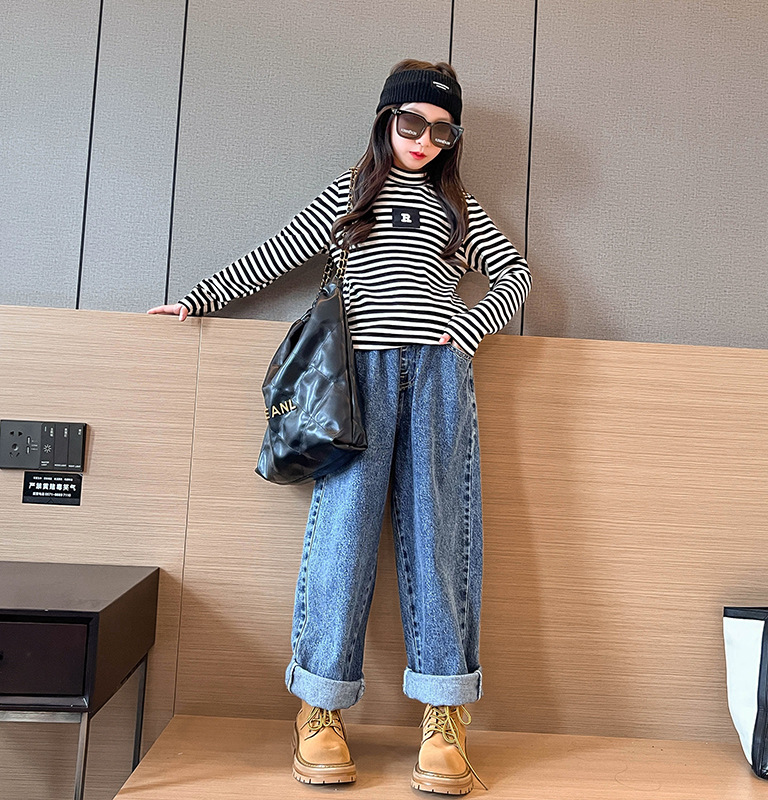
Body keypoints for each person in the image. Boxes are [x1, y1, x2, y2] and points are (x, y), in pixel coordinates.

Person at [148, 58, 532, 795]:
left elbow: (516, 274)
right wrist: (197, 300)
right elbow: (277, 255)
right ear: (387, 119)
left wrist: (473, 324)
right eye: (412, 122)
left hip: (440, 376)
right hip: (356, 381)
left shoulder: (460, 207)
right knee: (345, 536)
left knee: (440, 537)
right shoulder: (352, 193)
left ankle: (445, 718)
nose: (424, 140)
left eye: (442, 131)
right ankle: (319, 708)